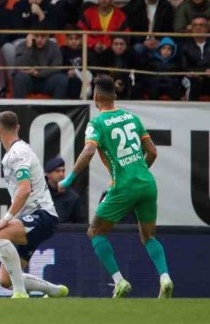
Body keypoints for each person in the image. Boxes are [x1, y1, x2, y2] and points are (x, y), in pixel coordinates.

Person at [58, 75, 173, 298]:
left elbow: (89, 151)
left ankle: (120, 282)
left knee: (95, 231)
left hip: (123, 187)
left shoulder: (97, 124)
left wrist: (70, 178)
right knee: (149, 236)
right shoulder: (132, 117)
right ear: (115, 96)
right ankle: (165, 277)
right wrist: (139, 172)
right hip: (147, 183)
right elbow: (153, 151)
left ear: (95, 97)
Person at [0, 111, 68, 299]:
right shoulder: (15, 153)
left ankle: (20, 293)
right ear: (18, 128)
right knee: (5, 279)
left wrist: (5, 219)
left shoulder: (18, 153)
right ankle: (54, 291)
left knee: (0, 233)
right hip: (31, 217)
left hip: (42, 215)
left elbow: (24, 190)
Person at [43, 157, 86, 224]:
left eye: (63, 171)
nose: (61, 174)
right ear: (48, 174)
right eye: (57, 171)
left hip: (64, 233)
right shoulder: (38, 193)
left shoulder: (73, 196)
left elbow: (80, 224)